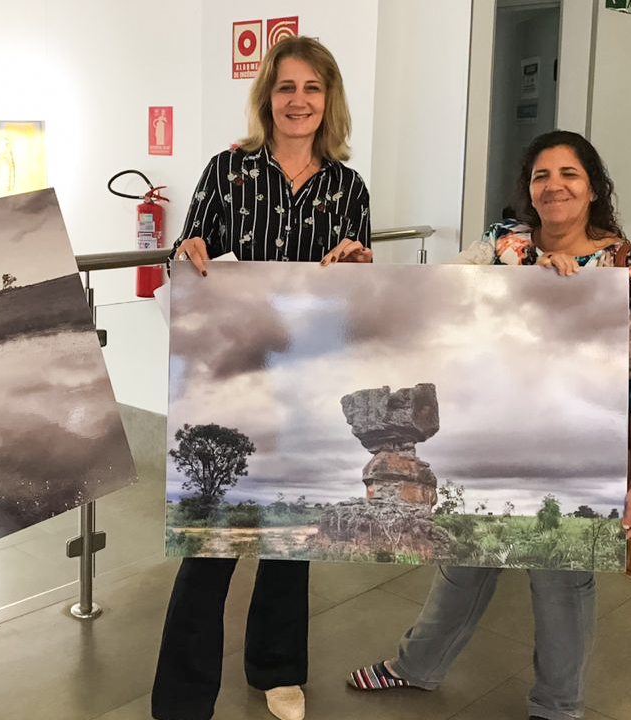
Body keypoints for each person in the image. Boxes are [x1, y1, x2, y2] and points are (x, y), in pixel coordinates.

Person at [346, 129, 631, 720]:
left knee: (562, 582)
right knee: (463, 559)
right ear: (529, 190)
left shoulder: (630, 266)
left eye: (569, 174)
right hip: (492, 439)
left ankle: (558, 707)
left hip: (576, 455)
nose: (554, 186)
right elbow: (433, 294)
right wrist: (367, 268)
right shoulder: (504, 246)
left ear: (593, 187)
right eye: (541, 176)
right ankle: (416, 668)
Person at [154, 36, 371, 720]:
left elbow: (356, 306)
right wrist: (183, 255)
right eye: (286, 87)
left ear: (327, 98)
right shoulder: (228, 171)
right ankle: (183, 694)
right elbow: (185, 266)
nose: (298, 100)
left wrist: (360, 272)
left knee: (291, 534)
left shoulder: (347, 187)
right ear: (267, 97)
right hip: (232, 377)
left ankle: (277, 668)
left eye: (312, 88)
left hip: (306, 382)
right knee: (210, 540)